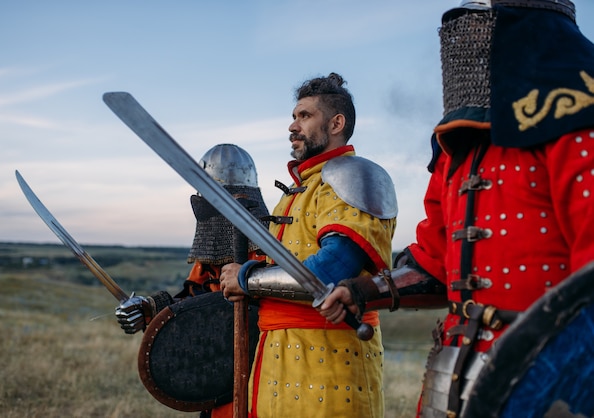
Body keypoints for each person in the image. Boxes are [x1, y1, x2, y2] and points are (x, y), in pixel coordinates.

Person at [319, 1, 594, 417]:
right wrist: (364, 290)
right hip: (451, 381)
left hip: (548, 387)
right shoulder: (458, 152)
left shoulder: (579, 128)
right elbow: (435, 263)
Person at [219, 73, 398, 418]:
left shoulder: (352, 177)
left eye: (304, 116)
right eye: (293, 116)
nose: (292, 126)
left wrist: (246, 279)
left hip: (331, 359)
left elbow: (330, 271)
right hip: (279, 359)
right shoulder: (300, 190)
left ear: (336, 123)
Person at [115, 143, 269, 418]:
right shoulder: (212, 251)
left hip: (265, 370)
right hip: (220, 371)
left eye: (206, 191)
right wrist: (150, 308)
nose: (200, 198)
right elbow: (196, 299)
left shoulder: (272, 245)